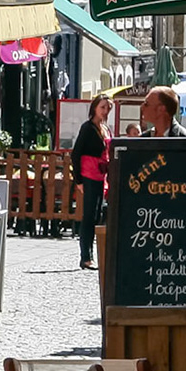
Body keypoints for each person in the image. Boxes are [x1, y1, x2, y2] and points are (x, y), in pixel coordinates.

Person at [70, 95, 113, 270]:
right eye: (102, 107)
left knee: (96, 216)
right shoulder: (87, 128)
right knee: (88, 216)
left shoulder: (104, 128)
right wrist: (78, 181)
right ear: (95, 107)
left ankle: (92, 254)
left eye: (107, 108)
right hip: (89, 175)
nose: (105, 111)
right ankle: (85, 257)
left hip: (100, 175)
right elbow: (76, 153)